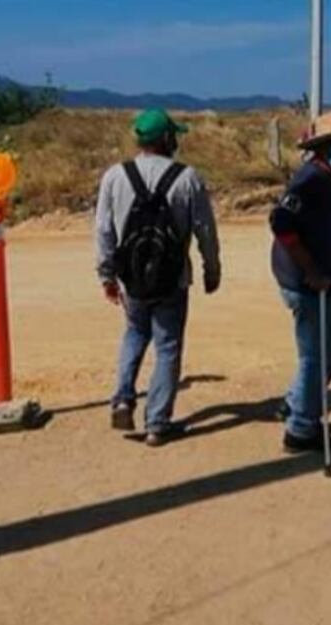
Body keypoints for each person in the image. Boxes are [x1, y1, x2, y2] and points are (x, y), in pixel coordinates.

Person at [95, 108, 221, 447]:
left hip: (131, 278)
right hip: (173, 278)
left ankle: (122, 398)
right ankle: (157, 423)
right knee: (167, 346)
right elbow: (205, 229)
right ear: (166, 139)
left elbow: (104, 231)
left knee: (135, 332)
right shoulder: (187, 177)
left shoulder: (115, 177)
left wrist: (106, 274)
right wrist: (212, 268)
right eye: (174, 135)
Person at [269, 109, 331, 453]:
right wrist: (310, 271)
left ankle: (295, 402)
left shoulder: (326, 177)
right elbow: (281, 223)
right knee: (316, 355)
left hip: (327, 283)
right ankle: (301, 429)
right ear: (323, 148)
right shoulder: (309, 179)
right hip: (306, 284)